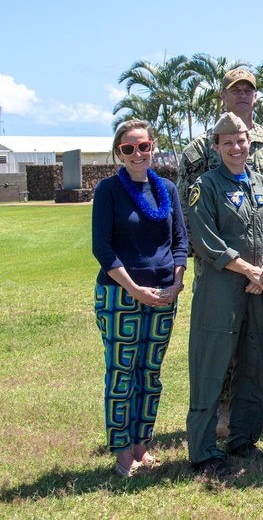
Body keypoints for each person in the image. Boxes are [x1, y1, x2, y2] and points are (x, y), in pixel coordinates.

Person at [177, 67, 263, 437]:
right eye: (235, 90)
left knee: (260, 339)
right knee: (222, 340)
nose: (242, 95)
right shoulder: (199, 148)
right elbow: (186, 208)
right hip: (222, 269)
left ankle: (249, 408)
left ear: (256, 96)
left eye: (249, 90)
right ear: (224, 96)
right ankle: (221, 411)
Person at [185, 113, 263, 478]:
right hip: (221, 289)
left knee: (256, 363)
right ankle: (203, 450)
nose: (236, 147)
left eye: (240, 140)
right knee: (210, 367)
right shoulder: (206, 185)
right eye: (227, 143)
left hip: (259, 290)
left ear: (249, 141)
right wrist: (247, 270)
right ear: (216, 147)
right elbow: (205, 239)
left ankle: (242, 438)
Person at [92, 121, 187, 478]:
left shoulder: (168, 190)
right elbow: (101, 247)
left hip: (164, 295)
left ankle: (141, 447)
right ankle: (121, 455)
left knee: (150, 374)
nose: (137, 154)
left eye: (143, 146)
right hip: (120, 296)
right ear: (119, 152)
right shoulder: (108, 190)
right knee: (122, 375)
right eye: (128, 149)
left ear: (153, 148)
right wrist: (133, 289)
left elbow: (180, 241)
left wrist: (177, 284)